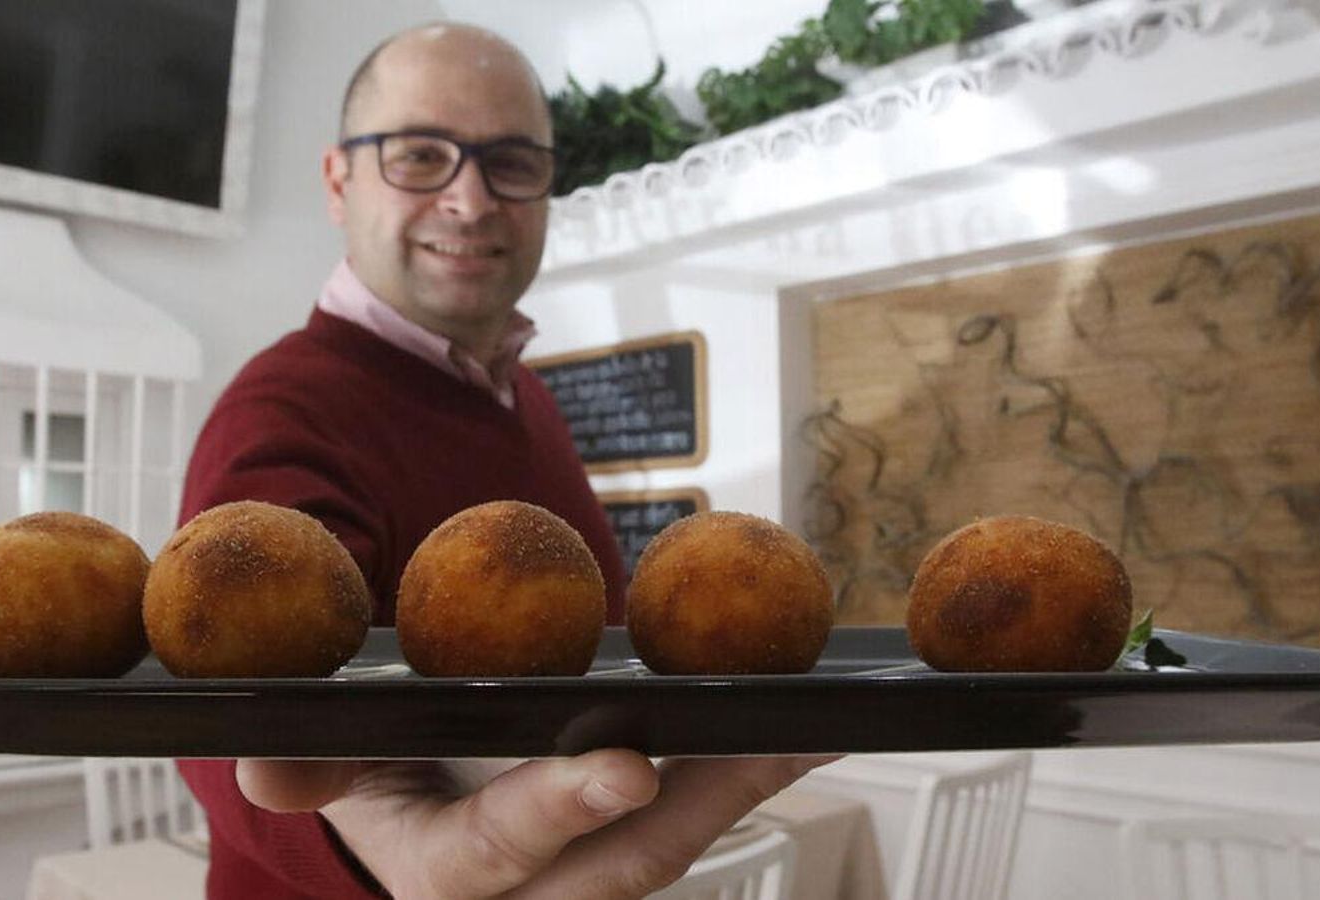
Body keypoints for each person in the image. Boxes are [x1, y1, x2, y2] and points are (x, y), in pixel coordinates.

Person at [176, 22, 837, 899]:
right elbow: (217, 697)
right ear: (339, 181)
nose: (471, 199)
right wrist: (380, 837)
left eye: (513, 162)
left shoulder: (529, 401)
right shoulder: (283, 408)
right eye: (420, 156)